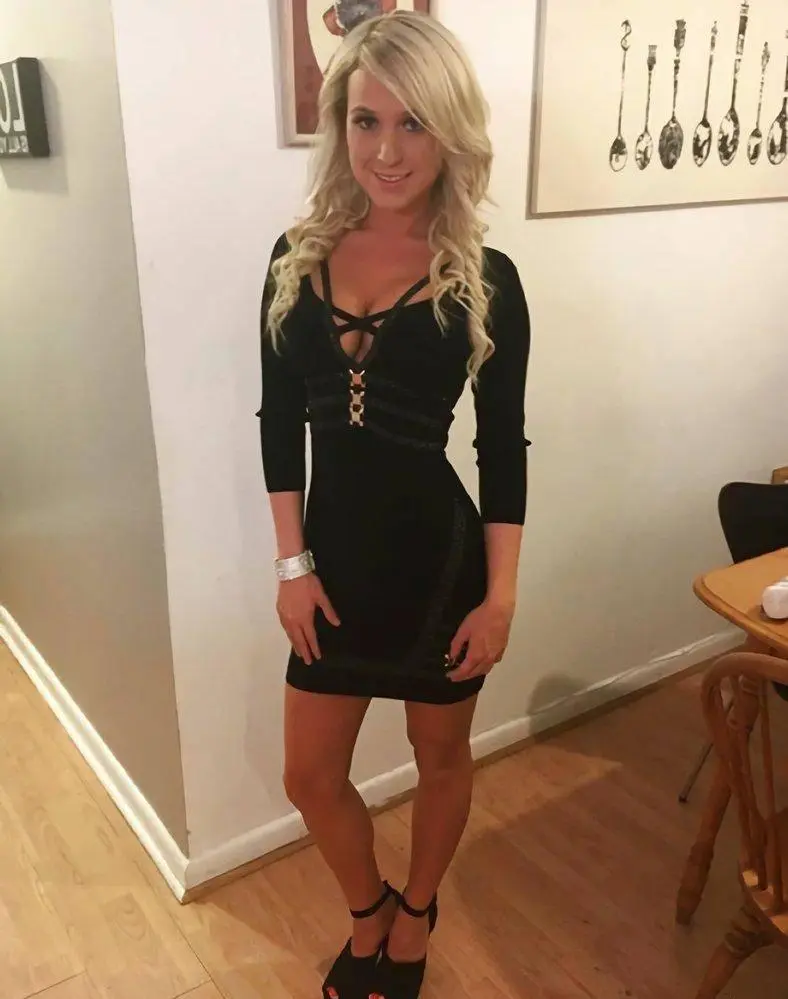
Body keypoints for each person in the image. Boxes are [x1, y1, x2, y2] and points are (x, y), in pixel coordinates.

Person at [256, 11, 531, 999]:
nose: (386, 149)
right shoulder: (295, 258)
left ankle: (415, 916)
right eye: (366, 120)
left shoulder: (485, 280)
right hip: (330, 571)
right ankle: (366, 908)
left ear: (449, 131)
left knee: (439, 756)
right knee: (309, 776)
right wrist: (291, 565)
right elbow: (278, 423)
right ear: (340, 125)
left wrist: (499, 596)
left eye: (413, 123)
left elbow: (501, 449)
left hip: (438, 569)